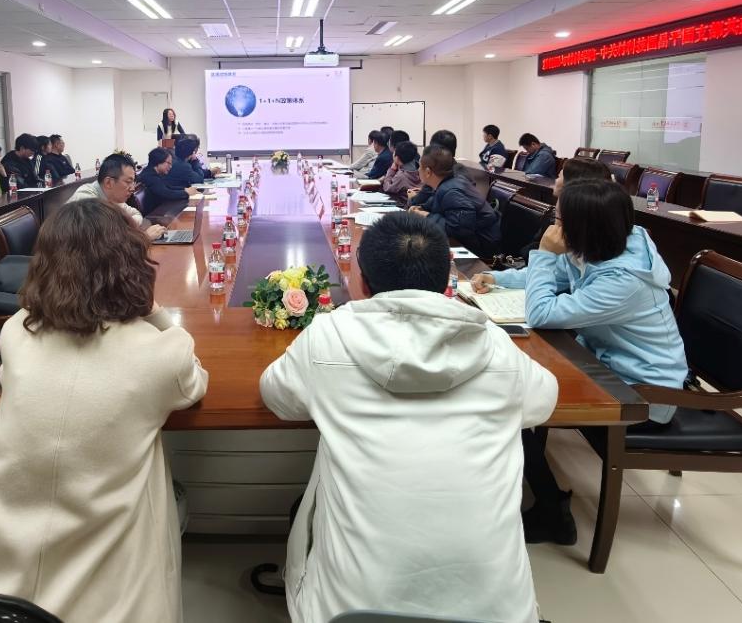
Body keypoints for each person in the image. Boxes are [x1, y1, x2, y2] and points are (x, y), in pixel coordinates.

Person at [260, 212, 556, 623]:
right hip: (496, 612)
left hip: (350, 611)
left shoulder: (328, 335)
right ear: (447, 284)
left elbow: (277, 397)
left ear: (363, 284)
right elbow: (543, 402)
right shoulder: (494, 344)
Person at [0, 199, 208, 622]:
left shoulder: (16, 331)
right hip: (109, 570)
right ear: (132, 264)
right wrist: (156, 314)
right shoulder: (161, 353)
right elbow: (193, 386)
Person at [473, 179, 688, 544]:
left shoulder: (624, 281)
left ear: (585, 227)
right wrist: (499, 278)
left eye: (559, 221)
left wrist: (544, 253)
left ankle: (551, 512)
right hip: (605, 365)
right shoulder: (608, 244)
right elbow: (559, 273)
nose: (554, 228)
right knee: (513, 381)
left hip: (644, 393)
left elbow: (541, 313)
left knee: (512, 398)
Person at [409, 145, 500, 256]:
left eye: (420, 167)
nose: (418, 170)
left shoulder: (452, 191)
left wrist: (426, 215)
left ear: (428, 172)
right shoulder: (448, 183)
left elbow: (459, 230)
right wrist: (422, 208)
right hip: (473, 240)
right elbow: (437, 204)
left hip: (482, 246)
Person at [517, 156, 614, 254]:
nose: (555, 180)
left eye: (559, 177)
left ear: (572, 184)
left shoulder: (583, 232)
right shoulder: (554, 215)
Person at [70, 154, 166, 241]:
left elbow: (136, 214)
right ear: (108, 182)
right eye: (128, 182)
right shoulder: (85, 199)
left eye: (133, 182)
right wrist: (145, 237)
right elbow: (104, 243)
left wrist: (124, 225)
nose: (133, 188)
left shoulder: (112, 196)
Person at [138, 148, 197, 215]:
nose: (170, 166)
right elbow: (167, 193)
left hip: (160, 211)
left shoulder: (154, 173)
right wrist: (186, 193)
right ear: (158, 161)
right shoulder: (150, 177)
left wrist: (185, 189)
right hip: (153, 215)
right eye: (168, 163)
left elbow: (168, 187)